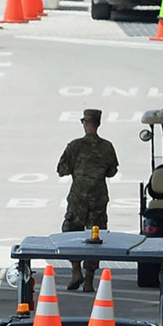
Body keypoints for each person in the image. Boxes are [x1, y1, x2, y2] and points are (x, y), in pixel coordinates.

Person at [55, 108, 120, 286]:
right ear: (98, 124)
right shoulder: (107, 147)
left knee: (71, 235)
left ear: (85, 123)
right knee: (95, 238)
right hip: (98, 199)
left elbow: (62, 170)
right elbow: (112, 171)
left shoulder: (75, 146)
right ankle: (90, 280)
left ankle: (76, 271)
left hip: (78, 199)